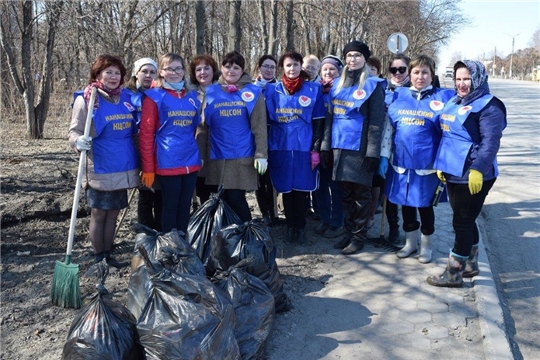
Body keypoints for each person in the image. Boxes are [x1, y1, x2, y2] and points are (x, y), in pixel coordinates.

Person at [427, 60, 506, 287]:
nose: (462, 84)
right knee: (467, 218)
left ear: (478, 78)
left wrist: (478, 169)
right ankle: (471, 265)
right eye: (458, 79)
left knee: (461, 222)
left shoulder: (490, 106)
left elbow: (491, 142)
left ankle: (454, 273)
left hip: (473, 174)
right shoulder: (454, 101)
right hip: (452, 170)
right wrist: (443, 163)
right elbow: (447, 134)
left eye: (467, 79)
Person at [68, 54, 139, 269]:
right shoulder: (88, 99)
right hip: (100, 165)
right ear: (98, 74)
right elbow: (74, 131)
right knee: (99, 214)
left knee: (113, 214)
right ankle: (98, 255)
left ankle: (108, 254)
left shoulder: (127, 98)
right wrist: (78, 141)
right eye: (108, 72)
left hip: (123, 166)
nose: (113, 77)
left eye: (117, 73)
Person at [385, 55, 454, 264]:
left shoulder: (443, 98)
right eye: (416, 72)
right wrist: (382, 157)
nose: (420, 76)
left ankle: (426, 246)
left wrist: (445, 162)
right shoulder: (397, 96)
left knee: (424, 206)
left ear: (432, 75)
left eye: (425, 72)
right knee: (406, 205)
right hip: (400, 163)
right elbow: (389, 129)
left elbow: (449, 133)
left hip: (427, 164)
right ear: (410, 75)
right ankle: (410, 243)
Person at [320, 40, 386, 255]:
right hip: (339, 148)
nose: (353, 59)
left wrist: (373, 152)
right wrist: (325, 147)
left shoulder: (373, 85)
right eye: (349, 56)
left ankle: (359, 236)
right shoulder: (337, 85)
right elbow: (330, 119)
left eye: (357, 55)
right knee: (345, 194)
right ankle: (348, 231)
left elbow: (376, 121)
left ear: (365, 59)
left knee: (361, 195)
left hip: (361, 149)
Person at [196, 50, 268, 222]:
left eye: (236, 67)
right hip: (216, 156)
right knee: (221, 201)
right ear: (221, 68)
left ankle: (246, 235)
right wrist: (199, 155)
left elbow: (259, 126)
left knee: (236, 198)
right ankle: (227, 238)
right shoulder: (211, 92)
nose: (231, 71)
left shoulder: (253, 93)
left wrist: (261, 154)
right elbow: (203, 127)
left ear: (243, 70)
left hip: (242, 156)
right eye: (227, 67)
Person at [265, 50, 325, 244]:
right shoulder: (271, 90)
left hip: (303, 146)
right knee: (285, 189)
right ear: (283, 67)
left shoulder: (313, 90)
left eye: (296, 65)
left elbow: (318, 122)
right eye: (288, 65)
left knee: (301, 189)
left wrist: (316, 148)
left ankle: (300, 226)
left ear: (301, 67)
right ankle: (289, 225)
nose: (292, 69)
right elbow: (264, 122)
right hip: (280, 145)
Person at [139, 53, 202, 234]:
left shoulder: (192, 97)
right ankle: (169, 245)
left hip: (190, 160)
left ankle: (182, 245)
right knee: (170, 206)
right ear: (161, 72)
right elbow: (146, 134)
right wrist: (149, 168)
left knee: (185, 207)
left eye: (178, 68)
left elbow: (193, 128)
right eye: (169, 68)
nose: (174, 72)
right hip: (168, 160)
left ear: (184, 71)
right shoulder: (153, 97)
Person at [125, 57, 162, 232]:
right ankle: (145, 230)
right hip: (139, 147)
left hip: (161, 148)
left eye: (152, 72)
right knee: (146, 192)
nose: (148, 75)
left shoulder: (161, 93)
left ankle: (161, 231)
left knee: (160, 191)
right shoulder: (128, 95)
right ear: (136, 73)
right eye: (144, 71)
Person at [314, 55, 345, 238]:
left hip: (336, 144)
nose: (328, 72)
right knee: (320, 185)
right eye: (325, 69)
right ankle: (324, 218)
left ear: (339, 71)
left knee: (335, 185)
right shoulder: (316, 90)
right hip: (318, 143)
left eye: (332, 69)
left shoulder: (343, 90)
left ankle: (336, 221)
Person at [383, 54, 411, 245]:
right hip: (385, 146)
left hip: (407, 148)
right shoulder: (382, 89)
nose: (398, 73)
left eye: (402, 69)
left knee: (409, 191)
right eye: (394, 70)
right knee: (388, 192)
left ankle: (411, 232)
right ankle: (393, 228)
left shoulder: (414, 92)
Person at [253, 54, 283, 226]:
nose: (269, 70)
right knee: (260, 178)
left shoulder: (280, 88)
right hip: (256, 138)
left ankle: (274, 213)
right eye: (266, 66)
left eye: (272, 67)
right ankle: (264, 213)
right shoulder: (251, 89)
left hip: (275, 137)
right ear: (259, 67)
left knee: (272, 178)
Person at [365, 55, 392, 231]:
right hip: (360, 144)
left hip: (379, 142)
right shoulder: (357, 89)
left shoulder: (384, 90)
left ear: (378, 72)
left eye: (373, 70)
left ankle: (370, 217)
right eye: (367, 70)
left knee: (375, 186)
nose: (369, 73)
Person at [190, 54, 220, 206]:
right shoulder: (189, 95)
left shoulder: (224, 92)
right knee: (201, 189)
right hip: (196, 149)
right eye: (198, 69)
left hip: (219, 148)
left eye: (206, 68)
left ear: (213, 70)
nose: (203, 72)